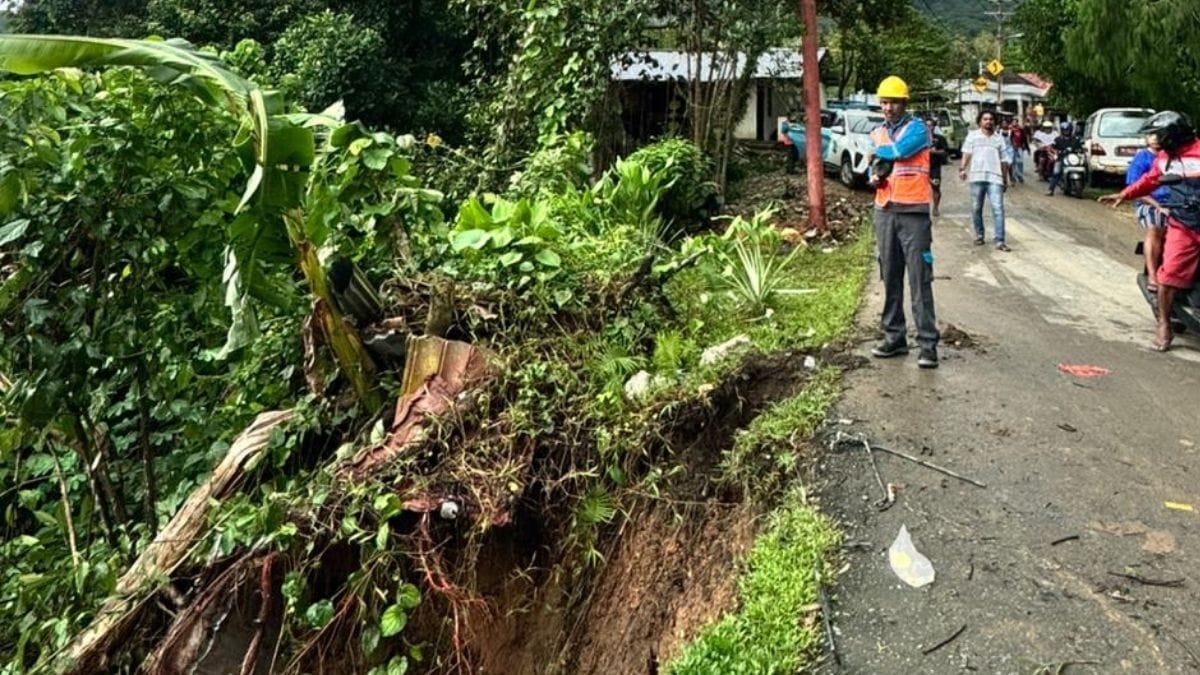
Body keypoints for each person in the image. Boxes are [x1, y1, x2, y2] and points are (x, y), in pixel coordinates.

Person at [1099, 111, 1200, 351]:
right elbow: (1150, 180)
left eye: (1160, 134)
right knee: (1168, 276)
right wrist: (1124, 194)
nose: (1157, 139)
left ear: (1172, 135)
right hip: (1183, 224)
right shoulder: (1165, 158)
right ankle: (1164, 324)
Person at [867, 76, 939, 368]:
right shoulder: (878, 132)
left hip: (913, 212)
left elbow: (898, 152)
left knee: (920, 279)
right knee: (890, 276)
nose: (888, 107)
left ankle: (927, 345)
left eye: (893, 102)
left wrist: (876, 154)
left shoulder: (919, 129)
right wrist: (872, 174)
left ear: (904, 103)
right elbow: (872, 166)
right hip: (885, 209)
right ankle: (894, 337)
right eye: (884, 102)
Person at [958, 109, 1011, 251]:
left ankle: (1000, 240)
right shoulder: (972, 136)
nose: (988, 121)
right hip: (976, 177)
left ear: (995, 122)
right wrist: (962, 169)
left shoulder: (999, 139)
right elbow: (967, 153)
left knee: (998, 208)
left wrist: (1005, 179)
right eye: (985, 119)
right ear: (980, 121)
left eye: (991, 119)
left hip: (995, 178)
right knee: (976, 208)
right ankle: (979, 235)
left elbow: (1004, 160)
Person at [1126, 133, 1171, 289]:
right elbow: (1135, 188)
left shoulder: (1175, 157)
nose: (1157, 138)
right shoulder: (1142, 158)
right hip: (1150, 204)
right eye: (1153, 134)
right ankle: (1153, 276)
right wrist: (1159, 206)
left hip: (1178, 204)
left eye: (1160, 134)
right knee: (1156, 227)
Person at [1045, 122, 1079, 196]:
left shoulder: (1075, 139)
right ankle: (1050, 190)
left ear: (1071, 130)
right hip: (1061, 158)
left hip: (1073, 159)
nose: (1066, 132)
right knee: (1056, 173)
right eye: (1064, 130)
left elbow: (1081, 147)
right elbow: (1052, 147)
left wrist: (1082, 150)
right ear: (1062, 130)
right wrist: (1055, 151)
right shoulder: (1057, 139)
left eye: (1067, 130)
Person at [927, 116, 950, 217]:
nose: (928, 127)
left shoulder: (940, 138)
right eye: (926, 125)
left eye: (930, 125)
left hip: (934, 167)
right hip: (921, 167)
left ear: (933, 126)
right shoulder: (918, 139)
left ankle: (935, 207)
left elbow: (946, 152)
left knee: (935, 187)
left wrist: (934, 152)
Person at [1008, 118, 1028, 184]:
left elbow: (1024, 138)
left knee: (1020, 162)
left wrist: (1027, 147)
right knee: (1012, 163)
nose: (1014, 123)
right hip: (1010, 148)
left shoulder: (1021, 129)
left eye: (1015, 122)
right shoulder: (1009, 129)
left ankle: (1020, 175)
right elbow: (1009, 139)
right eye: (1013, 122)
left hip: (1019, 147)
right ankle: (1013, 177)